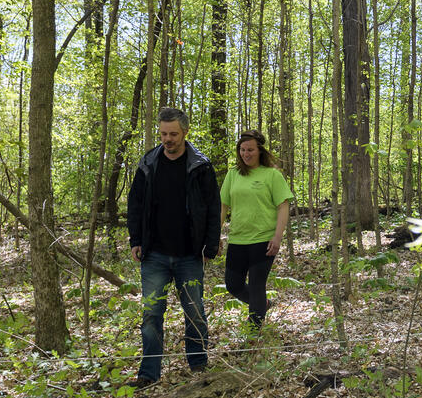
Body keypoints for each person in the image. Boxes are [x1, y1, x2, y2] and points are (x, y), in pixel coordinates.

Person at [124, 107, 221, 387]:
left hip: (190, 254)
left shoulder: (200, 166)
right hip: (154, 253)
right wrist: (136, 240)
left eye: (173, 134)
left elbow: (213, 207)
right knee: (152, 314)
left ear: (184, 133)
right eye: (164, 133)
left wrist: (210, 245)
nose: (168, 139)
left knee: (194, 310)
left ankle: (199, 368)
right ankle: (148, 375)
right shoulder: (148, 163)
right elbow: (135, 204)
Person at [220, 130, 294, 330]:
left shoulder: (272, 175)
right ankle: (263, 304)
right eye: (242, 150)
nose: (246, 154)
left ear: (260, 151)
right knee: (233, 285)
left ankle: (254, 332)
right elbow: (223, 206)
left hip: (263, 239)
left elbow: (283, 206)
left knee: (256, 285)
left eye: (250, 150)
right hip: (237, 239)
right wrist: (216, 235)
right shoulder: (233, 174)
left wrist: (277, 237)